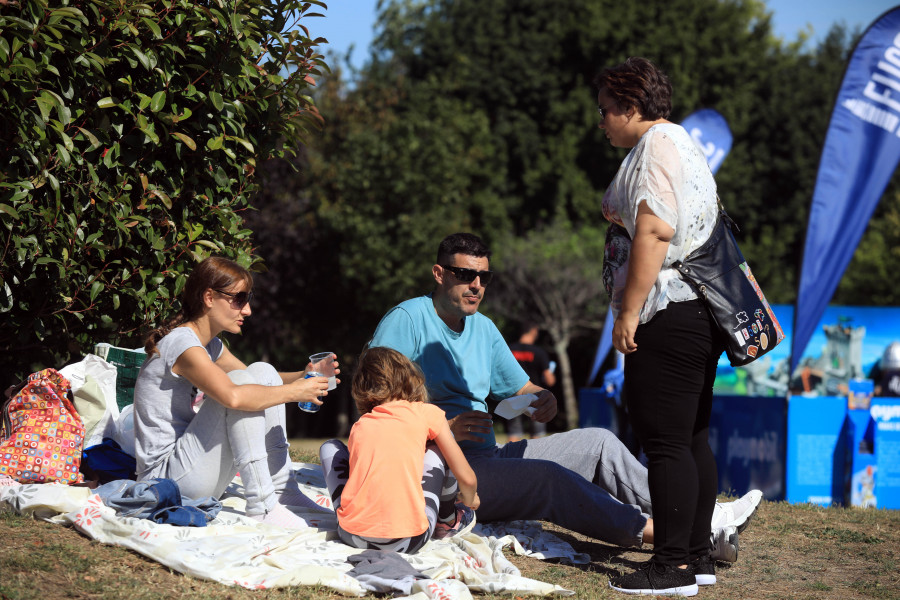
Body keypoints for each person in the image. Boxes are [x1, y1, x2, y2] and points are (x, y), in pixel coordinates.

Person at [368, 233, 760, 568]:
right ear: (439, 274)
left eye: (483, 277)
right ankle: (680, 537)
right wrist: (442, 429)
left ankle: (701, 516)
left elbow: (520, 388)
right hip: (442, 472)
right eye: (464, 274)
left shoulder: (483, 328)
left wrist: (542, 397)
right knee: (549, 480)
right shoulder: (407, 320)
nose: (476, 285)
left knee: (598, 442)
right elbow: (372, 404)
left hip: (488, 455)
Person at [596, 56, 729, 596]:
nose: (601, 120)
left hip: (668, 310)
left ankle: (670, 567)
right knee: (690, 437)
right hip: (696, 312)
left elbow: (653, 232)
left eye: (606, 110)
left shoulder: (655, 149)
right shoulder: (680, 142)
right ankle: (696, 555)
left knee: (666, 442)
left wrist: (628, 312)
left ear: (632, 107)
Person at [134, 256, 338, 529]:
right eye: (239, 299)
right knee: (240, 385)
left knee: (261, 370)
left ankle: (282, 490)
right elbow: (235, 396)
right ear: (209, 297)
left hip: (192, 472)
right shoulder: (182, 345)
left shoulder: (210, 346)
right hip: (166, 482)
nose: (248, 310)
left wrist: (305, 375)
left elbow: (261, 381)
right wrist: (294, 392)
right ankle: (262, 504)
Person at [319, 346, 480, 553]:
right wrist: (470, 498)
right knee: (438, 448)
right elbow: (467, 479)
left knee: (329, 447)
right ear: (410, 377)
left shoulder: (361, 425)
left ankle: (349, 515)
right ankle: (448, 521)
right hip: (410, 539)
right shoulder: (428, 413)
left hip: (352, 535)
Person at [505, 322, 556, 441]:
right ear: (533, 331)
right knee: (536, 435)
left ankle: (510, 459)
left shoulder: (508, 349)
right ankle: (533, 459)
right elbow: (550, 381)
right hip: (535, 395)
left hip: (513, 394)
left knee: (514, 431)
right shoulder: (539, 352)